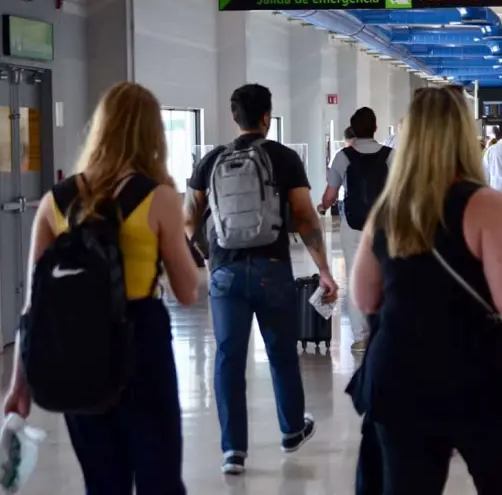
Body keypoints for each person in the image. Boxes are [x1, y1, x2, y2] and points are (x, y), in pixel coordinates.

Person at [349, 86, 502, 494]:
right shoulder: (484, 205)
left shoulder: (389, 208)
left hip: (400, 377)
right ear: (463, 135)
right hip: (479, 375)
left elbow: (365, 297)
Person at [3, 82, 199, 493]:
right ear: (152, 135)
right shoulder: (158, 198)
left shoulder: (55, 202)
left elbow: (34, 305)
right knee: (158, 477)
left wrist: (18, 385)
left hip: (76, 343)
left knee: (102, 482)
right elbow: (187, 292)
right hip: (141, 337)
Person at [185, 84, 337, 475]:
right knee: (281, 352)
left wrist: (208, 256)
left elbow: (189, 219)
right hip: (272, 267)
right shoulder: (283, 158)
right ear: (267, 118)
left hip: (225, 272)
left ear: (235, 117)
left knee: (228, 357)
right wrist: (324, 268)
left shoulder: (212, 160)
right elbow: (304, 217)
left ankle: (233, 452)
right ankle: (290, 429)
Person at [318, 107, 393, 352]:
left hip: (352, 225)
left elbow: (330, 195)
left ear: (353, 129)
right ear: (375, 128)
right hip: (384, 225)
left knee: (355, 278)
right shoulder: (391, 156)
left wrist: (323, 205)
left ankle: (362, 337)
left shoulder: (342, 157)